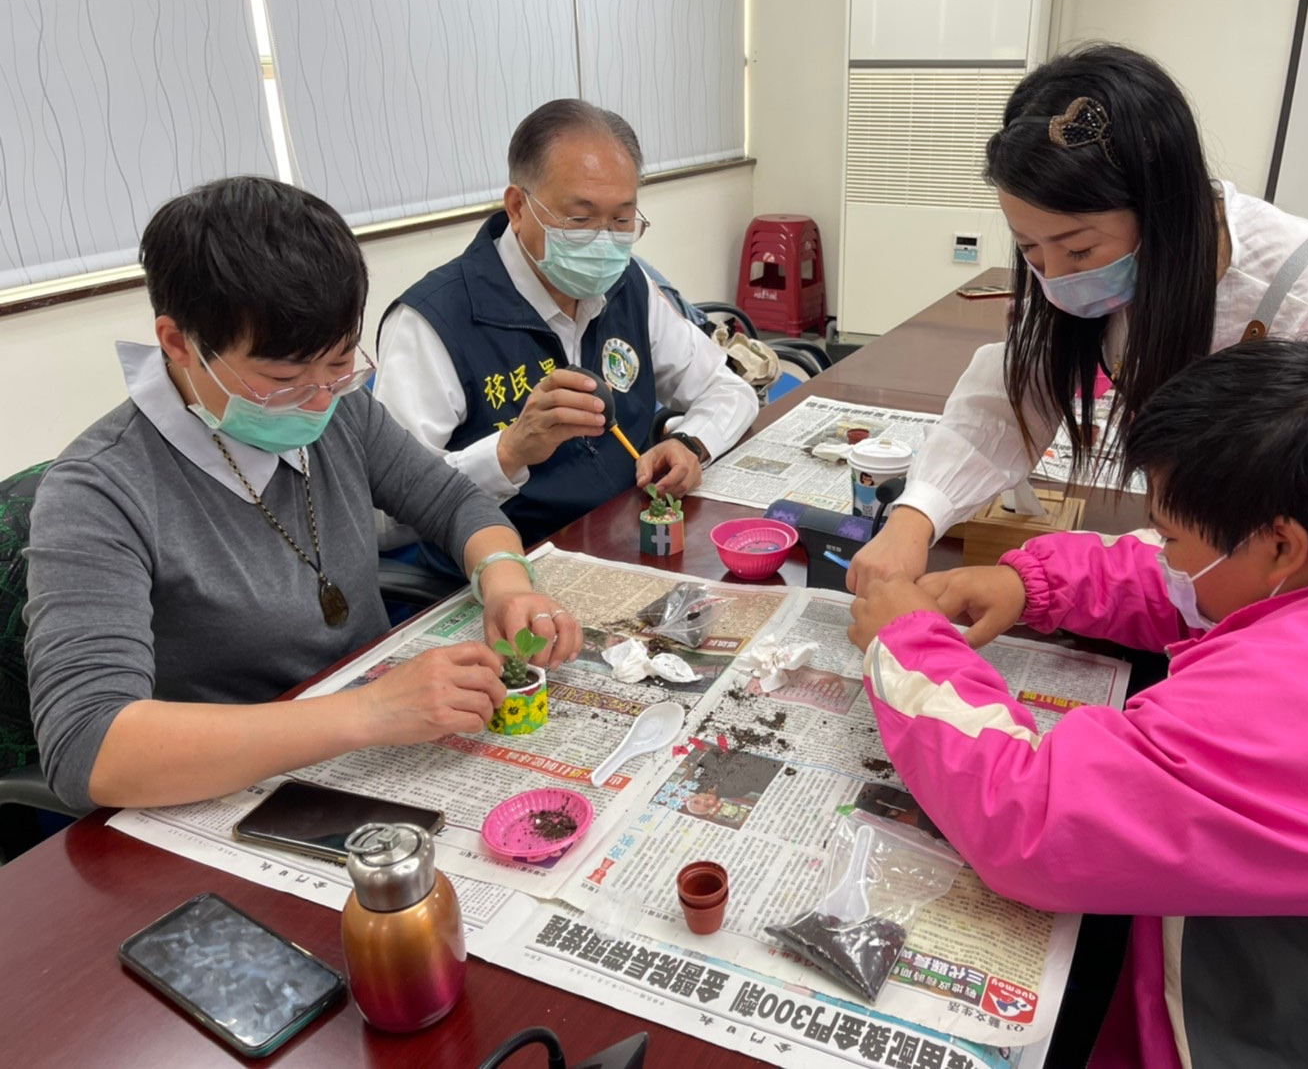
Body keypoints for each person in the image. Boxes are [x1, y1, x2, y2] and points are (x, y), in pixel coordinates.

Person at [847, 339, 1308, 1065]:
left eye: (1175, 535)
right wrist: (1034, 584)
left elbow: (1033, 821)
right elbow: (1202, 584)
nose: (1166, 553)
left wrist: (905, 644)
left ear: (1280, 545)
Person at [25, 177, 582, 813]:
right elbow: (89, 747)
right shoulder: (98, 491)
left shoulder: (339, 412)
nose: (320, 399)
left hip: (380, 746)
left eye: (341, 363)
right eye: (282, 379)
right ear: (178, 343)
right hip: (228, 796)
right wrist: (367, 712)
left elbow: (456, 503)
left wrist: (506, 581)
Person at [849, 43, 1308, 591]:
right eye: (1029, 249)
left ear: (1163, 207)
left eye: (1078, 250)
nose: (1056, 277)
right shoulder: (1094, 278)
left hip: (1295, 586)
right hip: (1189, 570)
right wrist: (913, 518)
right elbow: (1014, 396)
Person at [375, 99, 759, 544]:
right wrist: (507, 453)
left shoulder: (627, 285)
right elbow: (386, 512)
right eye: (579, 219)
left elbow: (727, 388)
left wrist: (691, 443)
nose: (604, 241)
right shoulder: (433, 321)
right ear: (518, 207)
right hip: (509, 565)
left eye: (621, 219)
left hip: (626, 536)